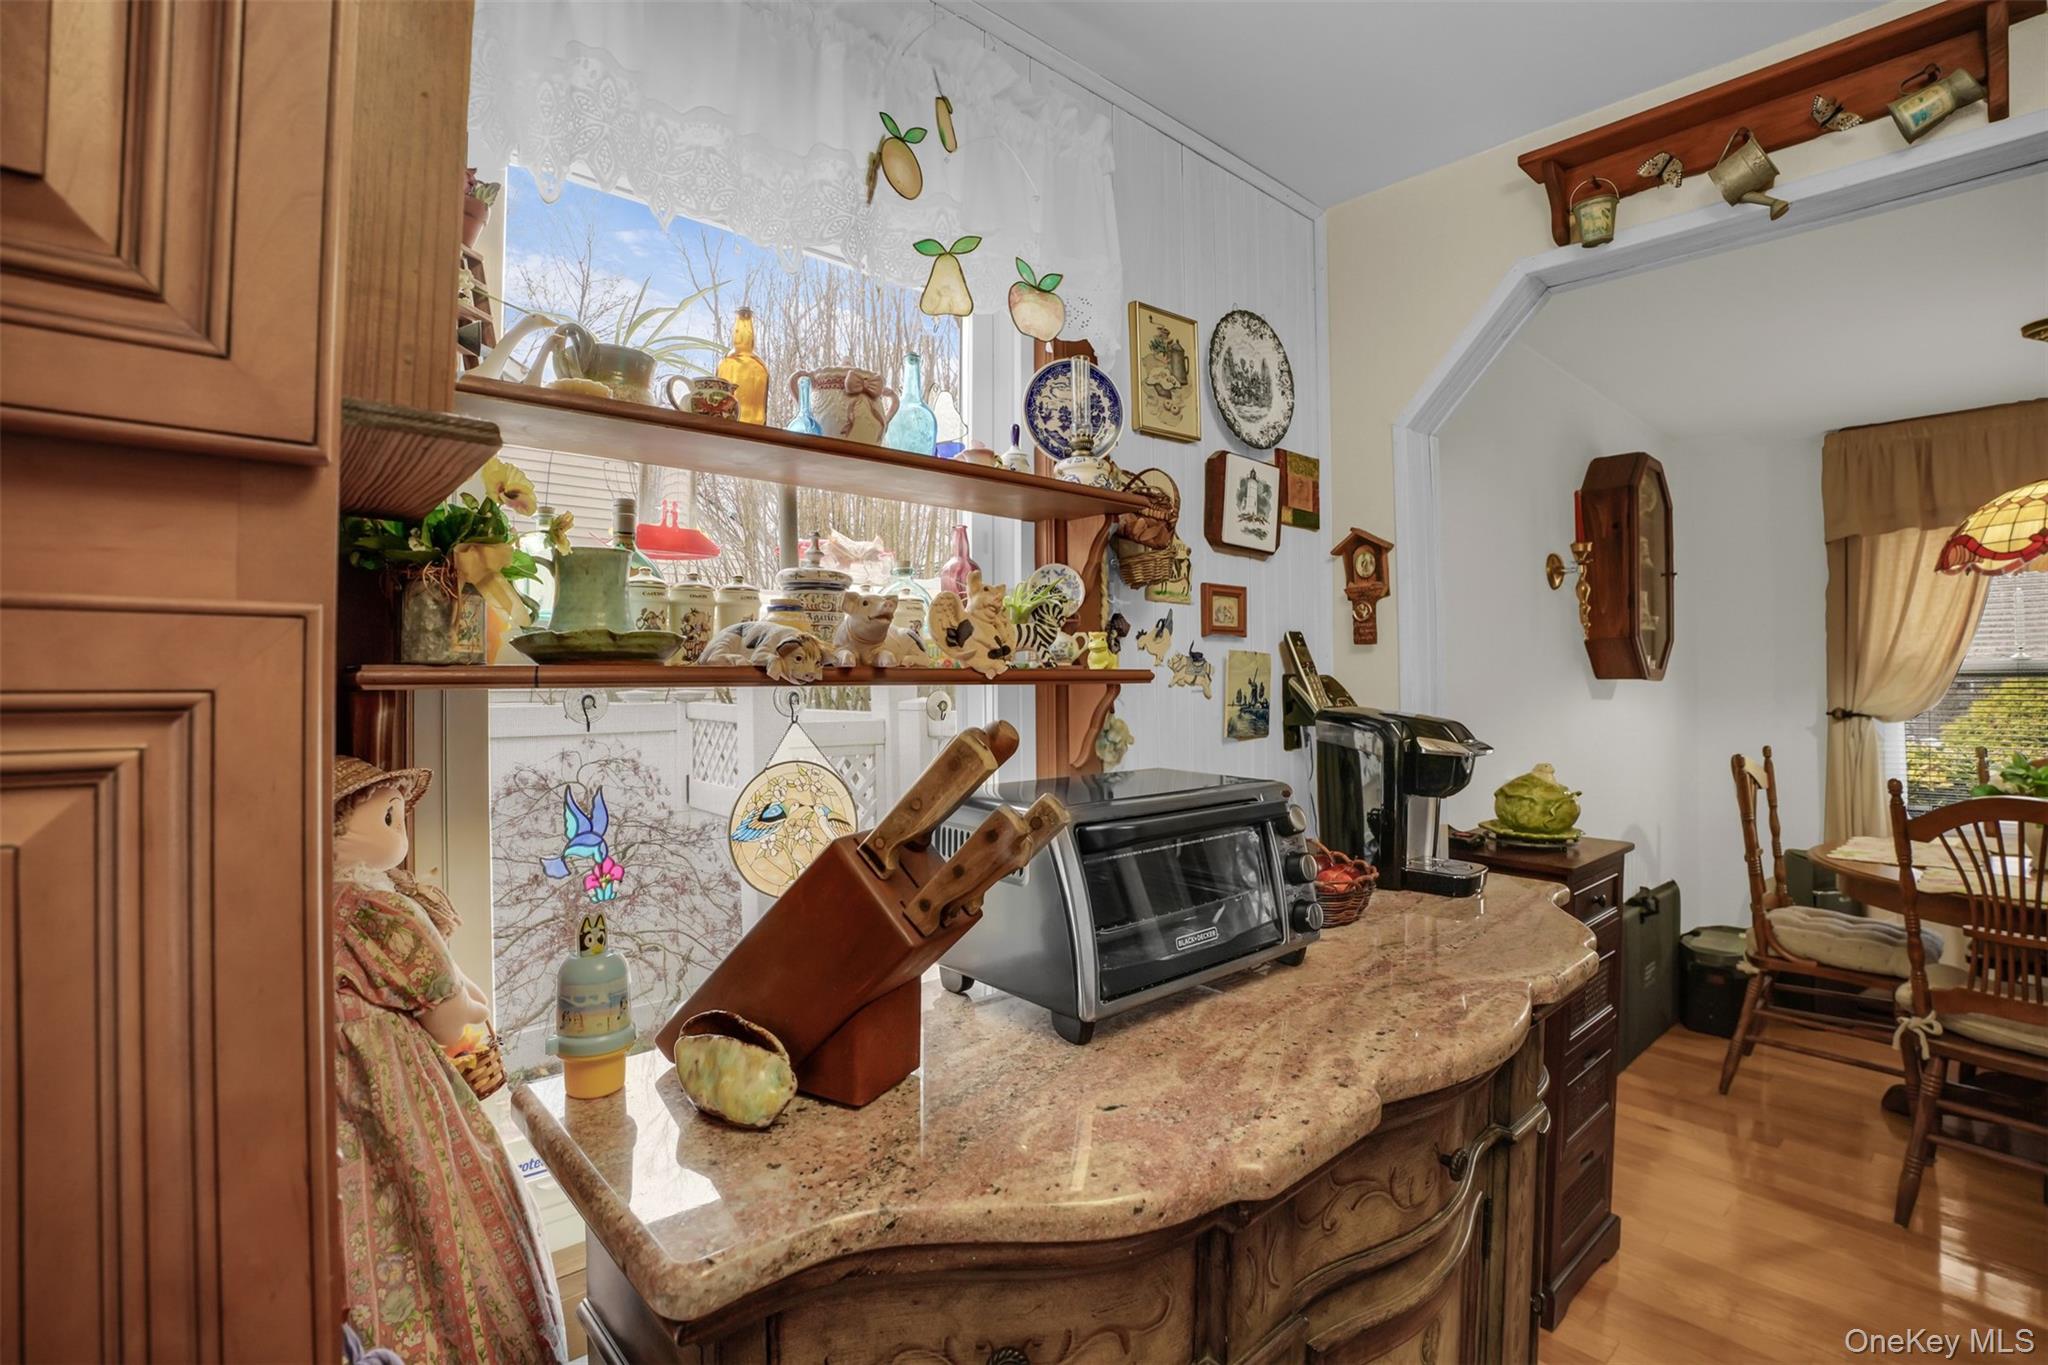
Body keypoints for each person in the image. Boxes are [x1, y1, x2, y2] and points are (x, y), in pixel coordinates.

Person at [332, 757, 566, 1363]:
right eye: (387, 816)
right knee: (444, 1206)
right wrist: (470, 1004)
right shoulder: (374, 907)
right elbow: (443, 1011)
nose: (401, 831)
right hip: (396, 1078)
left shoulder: (307, 906)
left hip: (339, 1089)